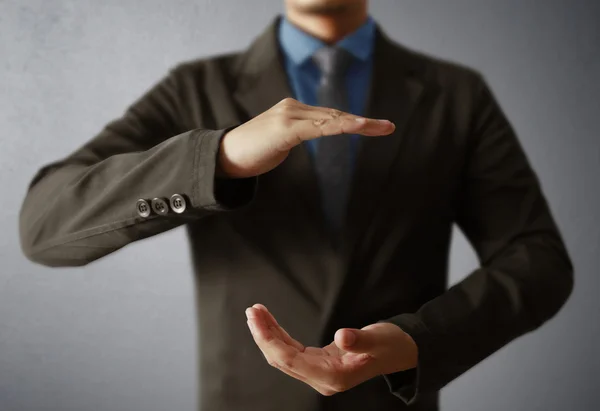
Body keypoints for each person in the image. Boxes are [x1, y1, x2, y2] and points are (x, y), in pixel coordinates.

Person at [19, 0, 574, 410]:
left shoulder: (457, 94)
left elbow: (538, 258)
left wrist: (415, 339)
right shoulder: (195, 88)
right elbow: (44, 228)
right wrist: (222, 156)